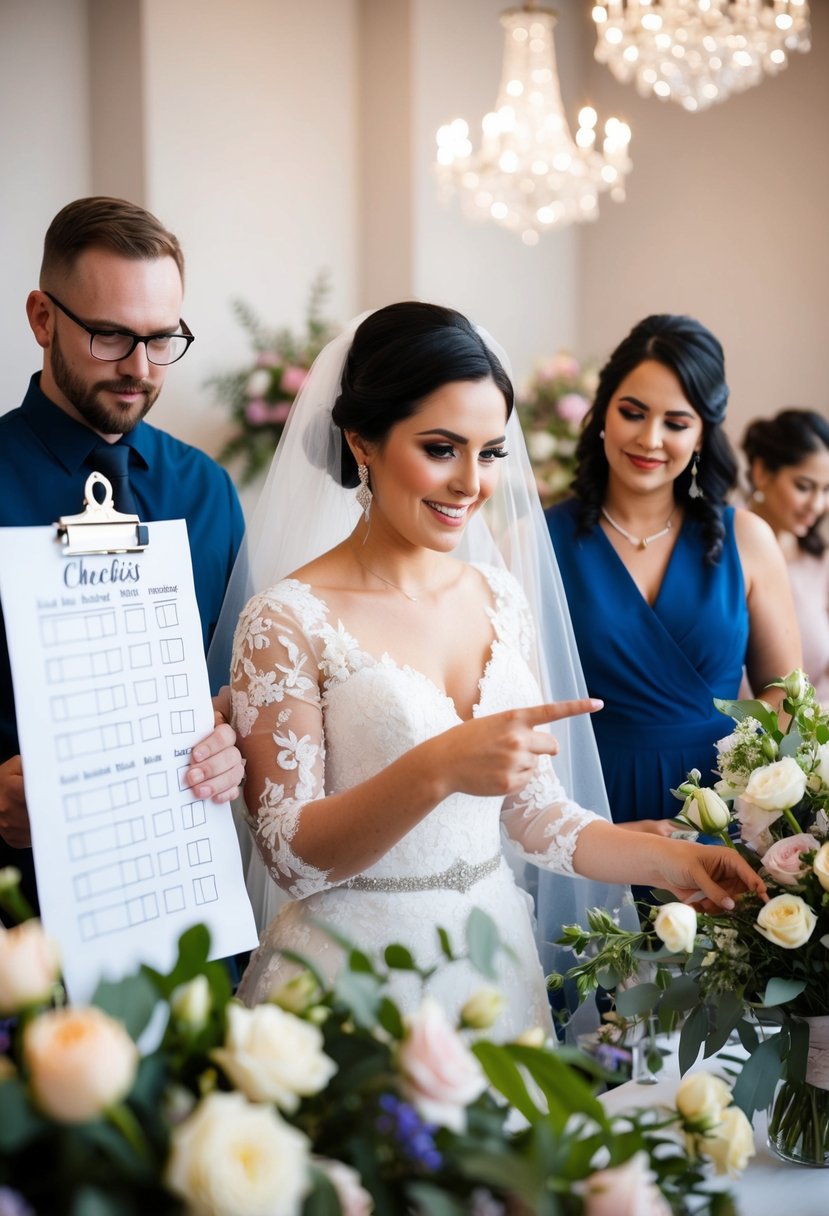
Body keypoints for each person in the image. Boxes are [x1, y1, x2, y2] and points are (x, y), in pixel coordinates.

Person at [212, 303, 766, 1041]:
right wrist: (438, 765)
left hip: (493, 967)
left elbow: (536, 815)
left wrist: (676, 860)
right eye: (441, 448)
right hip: (352, 982)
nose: (471, 484)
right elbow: (288, 858)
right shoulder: (284, 619)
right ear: (362, 441)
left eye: (490, 452)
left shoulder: (499, 595)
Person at [0, 196, 247, 919]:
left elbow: (233, 684)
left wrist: (230, 740)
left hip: (178, 894)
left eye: (161, 338)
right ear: (43, 318)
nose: (139, 368)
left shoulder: (205, 489)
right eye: (109, 336)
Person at [545, 314, 801, 833]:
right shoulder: (540, 541)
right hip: (593, 805)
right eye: (632, 413)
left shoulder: (747, 539)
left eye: (676, 423)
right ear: (602, 414)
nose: (650, 438)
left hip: (726, 807)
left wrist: (734, 778)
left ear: (703, 433)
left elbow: (785, 691)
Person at [742, 409, 829, 703]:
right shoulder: (725, 550)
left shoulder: (819, 562)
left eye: (827, 490)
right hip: (732, 739)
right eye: (804, 487)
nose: (817, 505)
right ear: (762, 472)